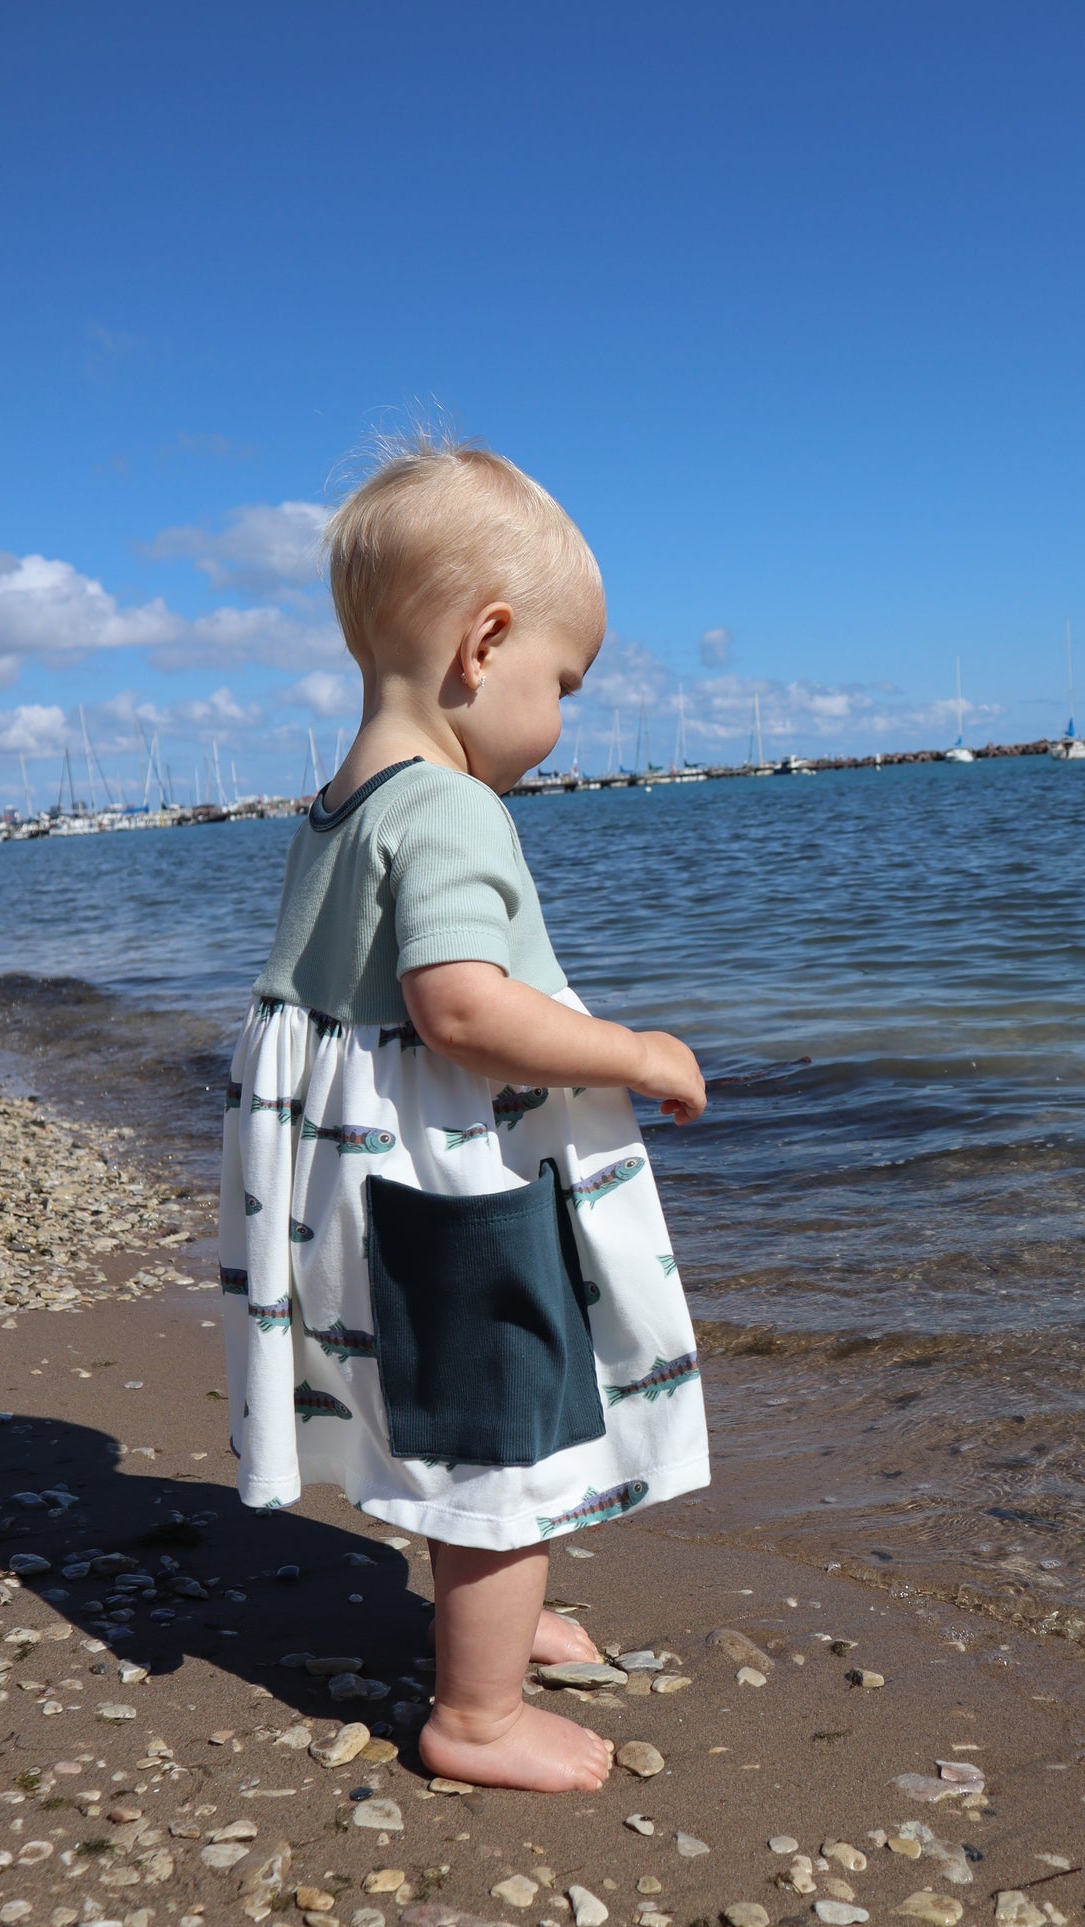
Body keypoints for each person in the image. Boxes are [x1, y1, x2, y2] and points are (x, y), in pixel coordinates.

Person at [218, 435, 709, 1793]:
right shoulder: (448, 812)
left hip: (355, 1182)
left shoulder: (338, 806)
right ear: (485, 646)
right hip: (445, 1178)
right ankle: (477, 1714)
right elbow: (460, 1008)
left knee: (440, 1404)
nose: (563, 720)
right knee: (501, 1425)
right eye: (566, 683)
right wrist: (632, 1052)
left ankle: (494, 1621)